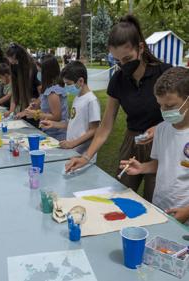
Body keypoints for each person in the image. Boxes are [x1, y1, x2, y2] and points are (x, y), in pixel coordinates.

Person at [65, 15, 172, 202]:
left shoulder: (164, 73)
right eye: (117, 60)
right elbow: (105, 126)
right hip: (132, 142)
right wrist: (86, 156)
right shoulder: (118, 80)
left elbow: (184, 111)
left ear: (140, 47)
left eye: (127, 58)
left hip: (162, 143)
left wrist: (162, 127)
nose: (123, 65)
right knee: (119, 196)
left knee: (155, 200)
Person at [120, 67, 189, 224]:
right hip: (161, 207)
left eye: (170, 106)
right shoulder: (162, 128)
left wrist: (188, 211)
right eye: (160, 105)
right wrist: (142, 168)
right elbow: (161, 163)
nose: (164, 111)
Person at [40, 61, 101, 154]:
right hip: (73, 151)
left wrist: (73, 143)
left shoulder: (91, 100)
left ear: (80, 81)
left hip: (83, 154)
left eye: (68, 84)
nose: (66, 87)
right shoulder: (78, 97)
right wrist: (53, 124)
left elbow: (94, 130)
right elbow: (72, 123)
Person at [24, 54, 68, 141]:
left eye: (40, 70)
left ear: (46, 72)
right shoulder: (48, 88)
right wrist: (34, 107)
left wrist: (36, 114)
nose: (38, 73)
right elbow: (46, 108)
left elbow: (57, 117)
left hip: (57, 135)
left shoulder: (53, 92)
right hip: (49, 132)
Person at [5, 43, 41, 126]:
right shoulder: (14, 66)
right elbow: (15, 90)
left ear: (21, 58)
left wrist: (26, 111)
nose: (12, 63)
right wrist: (11, 111)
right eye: (10, 61)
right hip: (25, 108)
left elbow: (42, 94)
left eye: (15, 61)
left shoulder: (34, 68)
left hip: (35, 109)